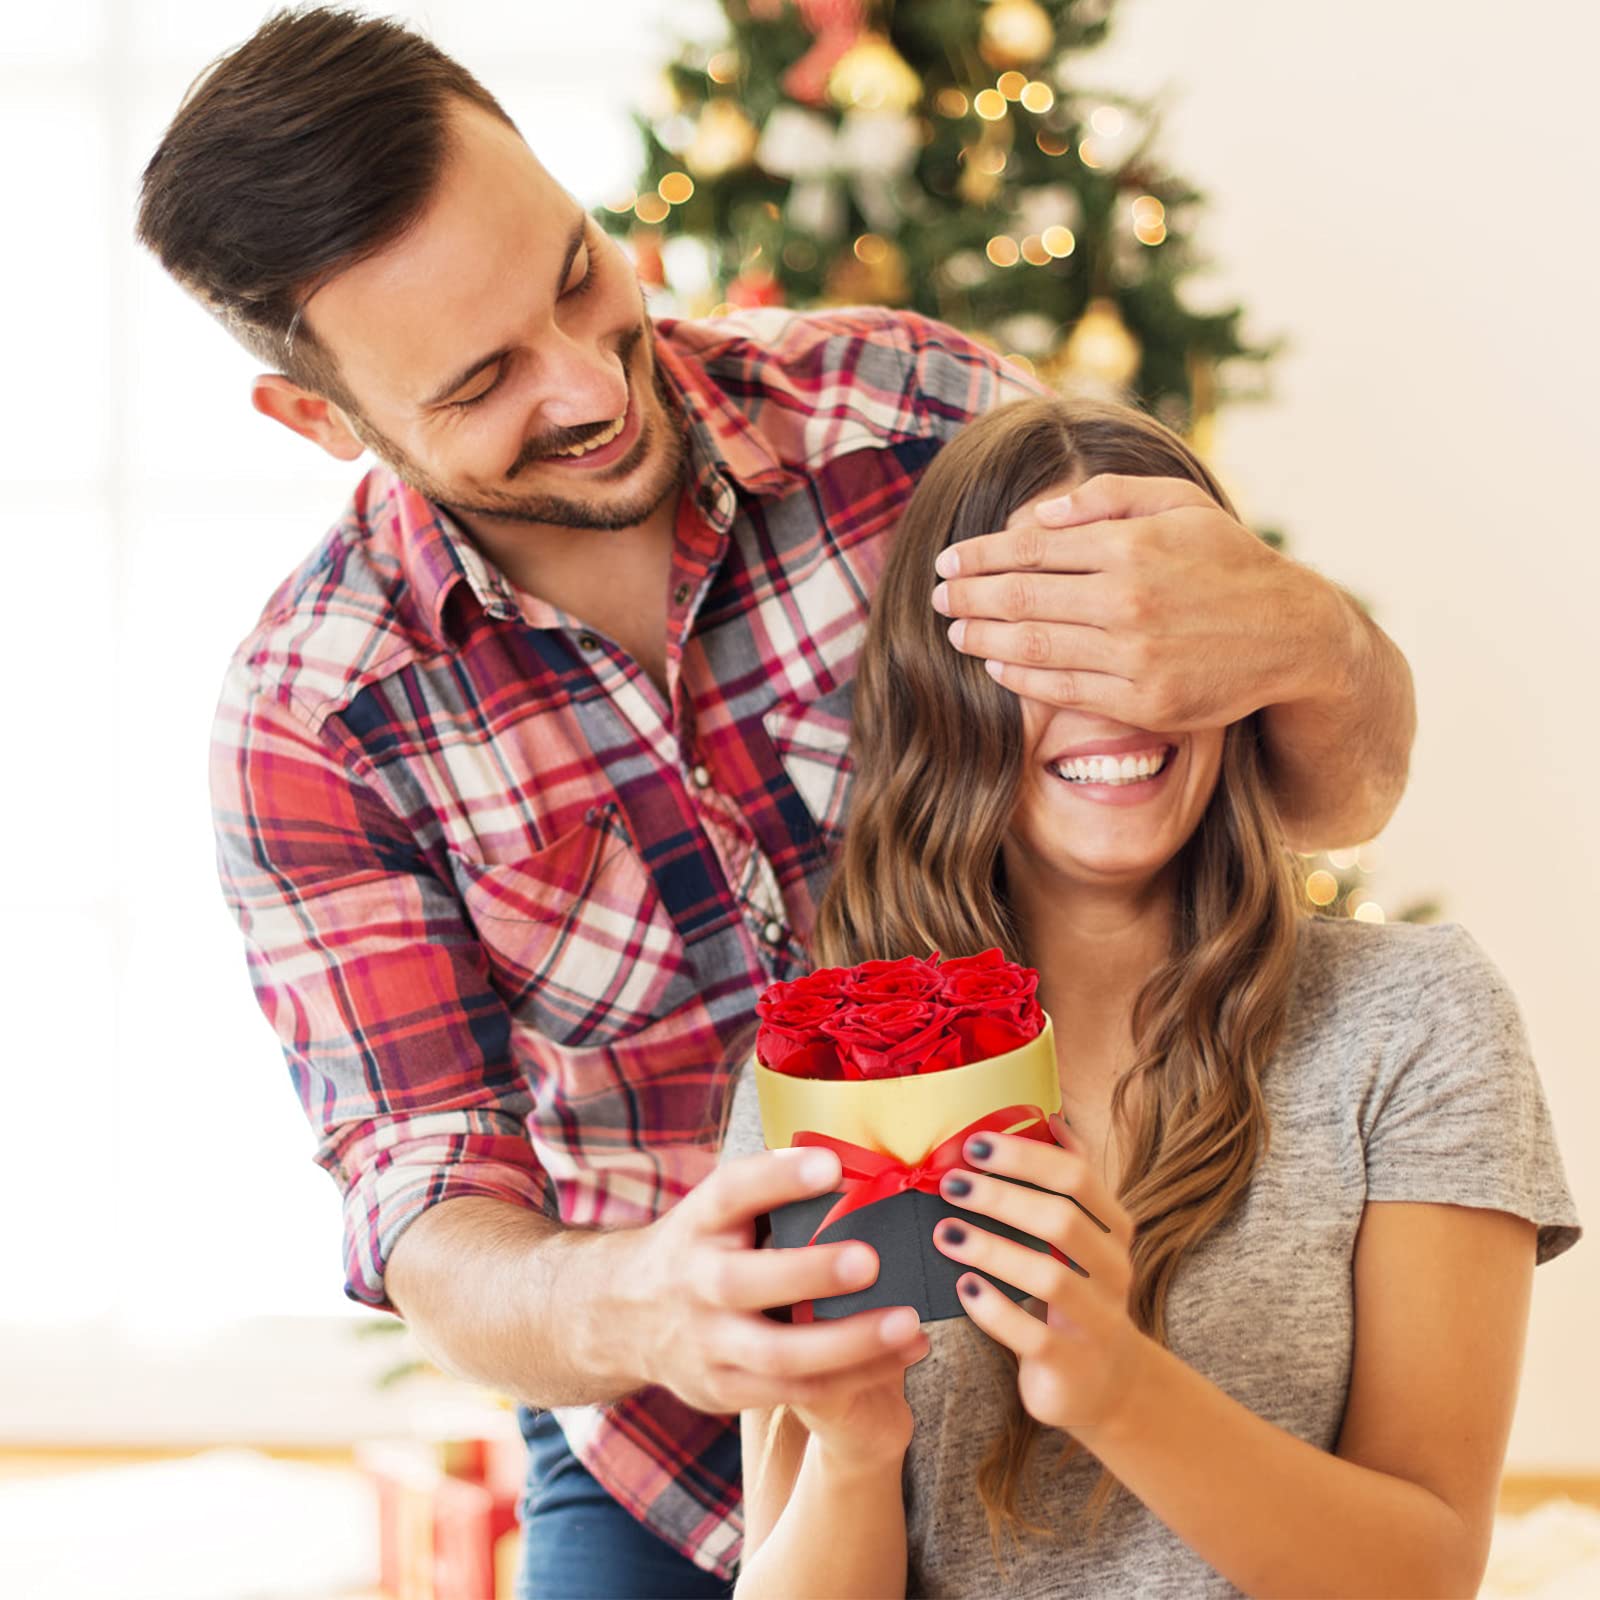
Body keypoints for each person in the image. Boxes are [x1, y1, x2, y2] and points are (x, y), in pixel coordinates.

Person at [136, 10, 1419, 1596]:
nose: (587, 381)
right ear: (325, 421)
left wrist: (1320, 640)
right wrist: (654, 1306)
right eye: (478, 382)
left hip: (1108, 1334)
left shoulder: (915, 416)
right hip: (687, 1444)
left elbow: (1322, 795)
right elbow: (435, 1213)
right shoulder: (317, 722)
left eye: (574, 277)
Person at [720, 392, 1582, 1599]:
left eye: (1154, 640)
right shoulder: (832, 1081)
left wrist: (1121, 1388)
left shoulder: (1414, 1021)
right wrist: (854, 1456)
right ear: (944, 692)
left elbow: (1426, 1571)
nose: (1115, 694)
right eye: (1045, 645)